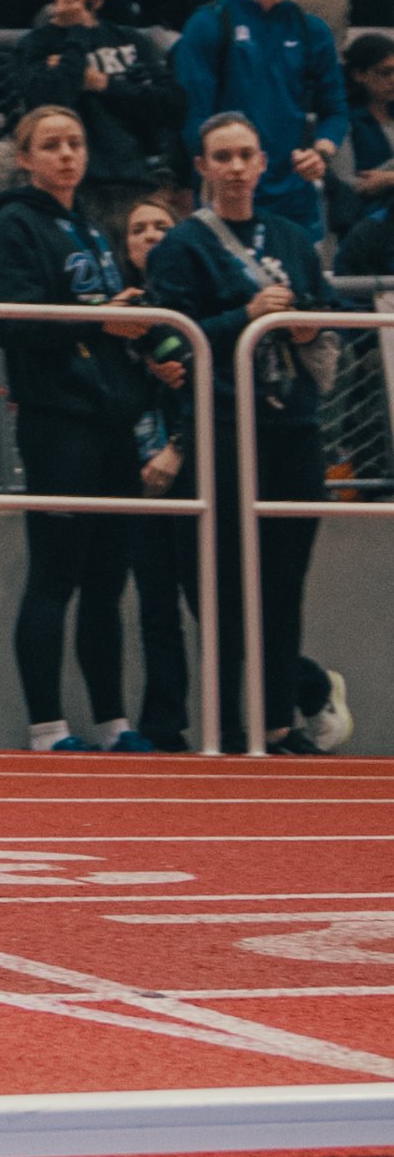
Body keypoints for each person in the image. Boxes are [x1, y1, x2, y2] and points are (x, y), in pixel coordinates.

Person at [147, 113, 351, 754]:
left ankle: (278, 722)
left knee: (283, 584)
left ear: (263, 163)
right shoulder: (183, 245)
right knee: (220, 589)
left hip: (293, 426)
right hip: (223, 430)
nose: (235, 168)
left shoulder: (292, 236)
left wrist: (309, 324)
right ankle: (226, 723)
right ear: (202, 167)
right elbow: (168, 337)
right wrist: (246, 314)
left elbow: (329, 310)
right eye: (222, 157)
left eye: (245, 156)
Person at [0, 108, 167, 752]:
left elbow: (106, 321)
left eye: (76, 143)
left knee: (108, 581)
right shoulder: (12, 224)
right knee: (54, 575)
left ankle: (113, 721)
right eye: (51, 145)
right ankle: (47, 727)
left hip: (112, 421)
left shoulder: (89, 226)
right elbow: (10, 322)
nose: (67, 154)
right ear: (25, 158)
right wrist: (97, 319)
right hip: (58, 421)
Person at [174, 0, 349, 216]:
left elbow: (335, 109)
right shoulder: (209, 23)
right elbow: (194, 114)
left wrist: (321, 152)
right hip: (230, 190)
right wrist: (218, 172)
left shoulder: (312, 30)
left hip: (294, 193)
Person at [8, 0, 183, 199]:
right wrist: (77, 31)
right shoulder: (36, 45)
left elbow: (173, 106)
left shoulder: (130, 39)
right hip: (75, 186)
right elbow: (48, 101)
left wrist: (104, 84)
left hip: (137, 178)